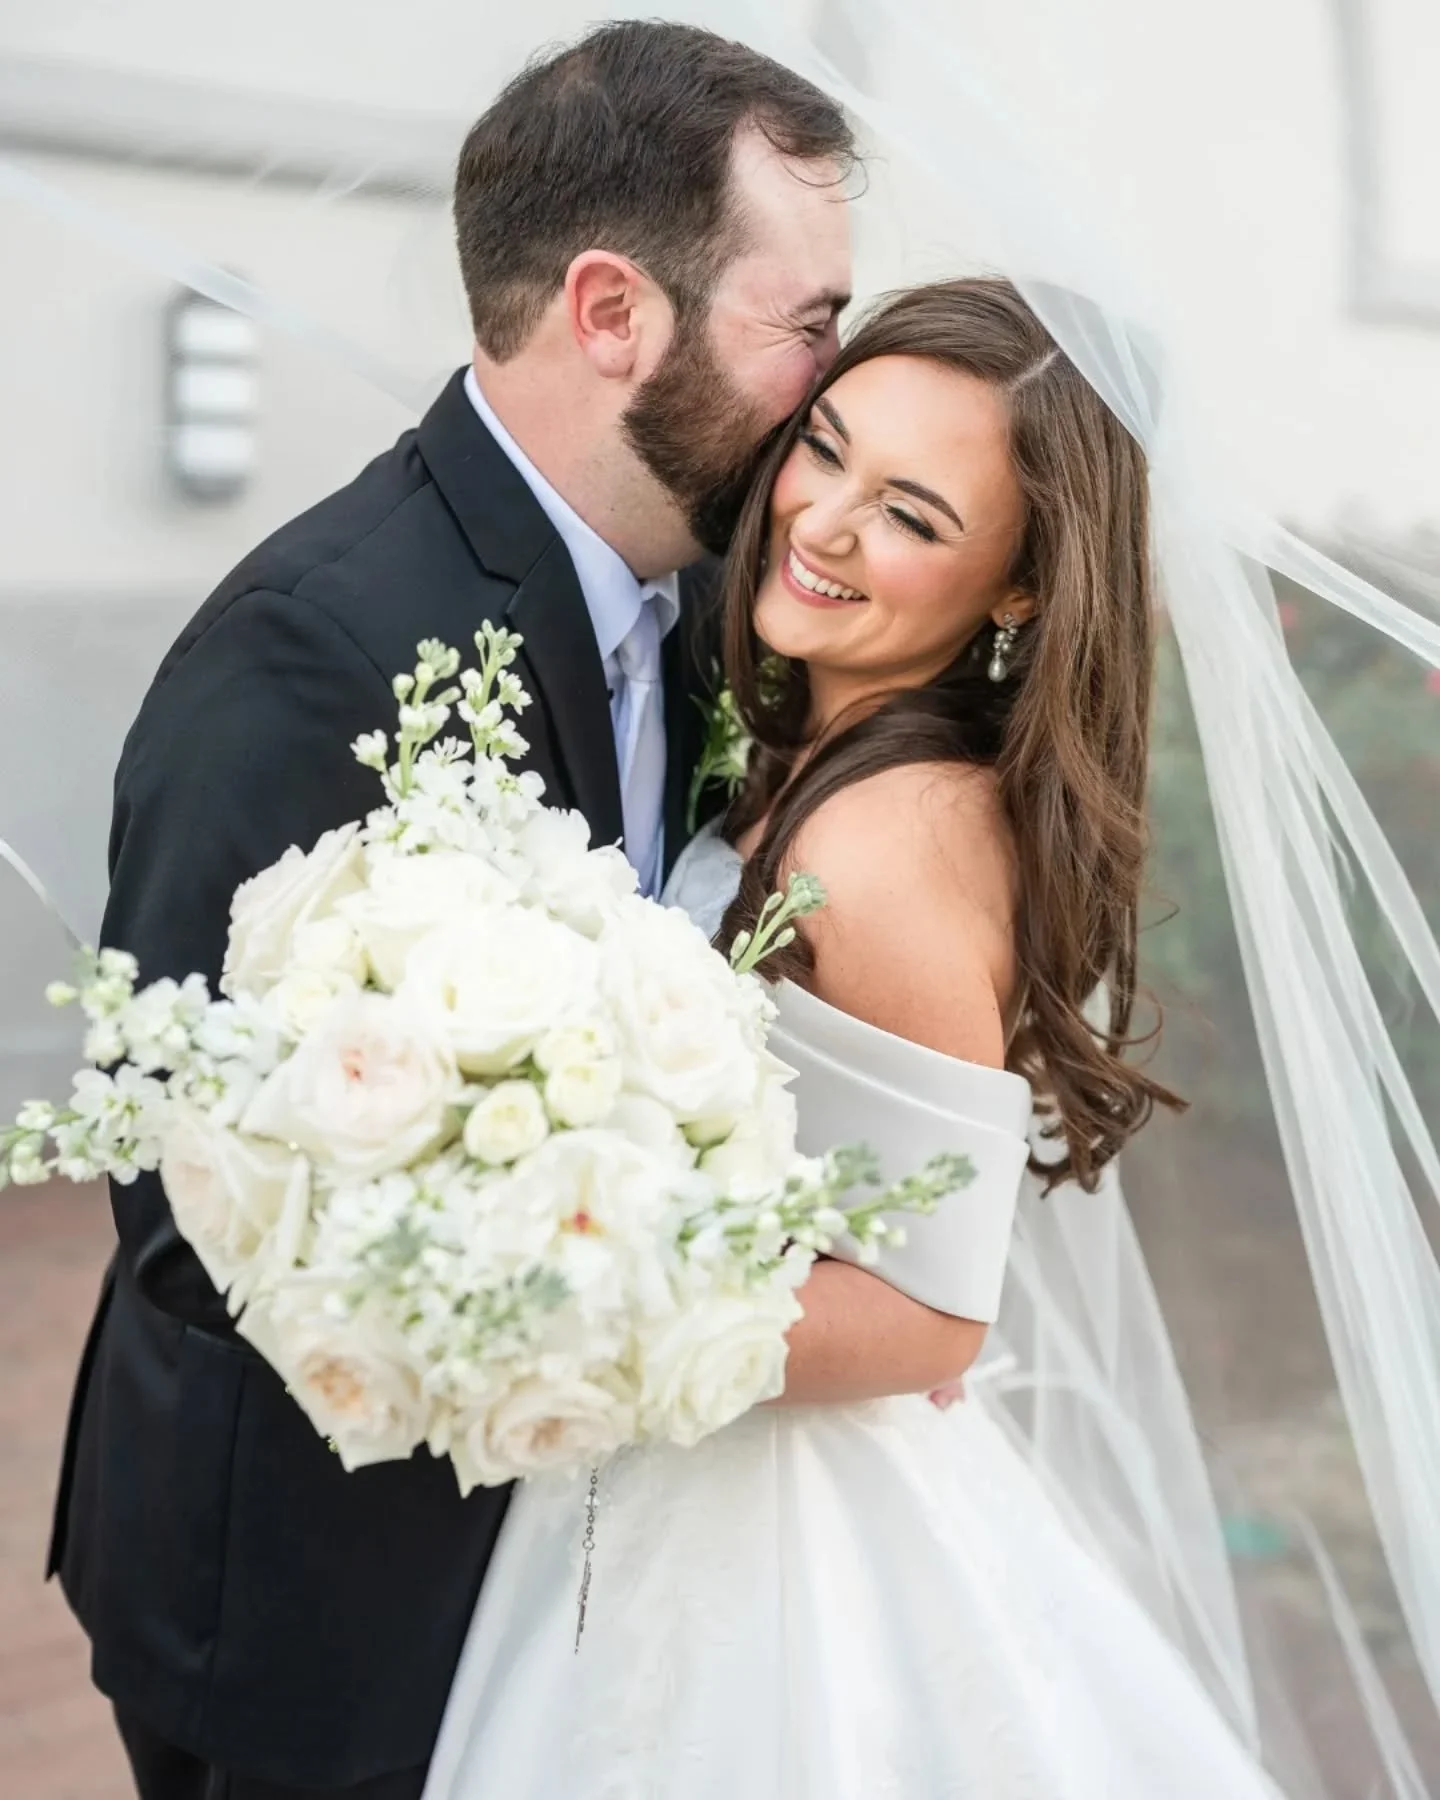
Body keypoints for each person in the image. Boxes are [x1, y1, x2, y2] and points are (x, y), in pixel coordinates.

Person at [47, 23, 854, 1800]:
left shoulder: (742, 594)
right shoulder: (308, 648)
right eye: (807, 324)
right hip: (306, 1621)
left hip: (580, 1584)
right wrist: (603, 1278)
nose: (836, 383)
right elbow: (190, 1201)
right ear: (612, 312)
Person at [419, 279, 1289, 1798]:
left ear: (1016, 590)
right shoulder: (820, 734)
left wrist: (550, 1285)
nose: (819, 522)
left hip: (764, 1536)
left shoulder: (888, 839)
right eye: (824, 447)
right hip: (687, 1484)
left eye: (910, 514)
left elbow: (936, 1317)